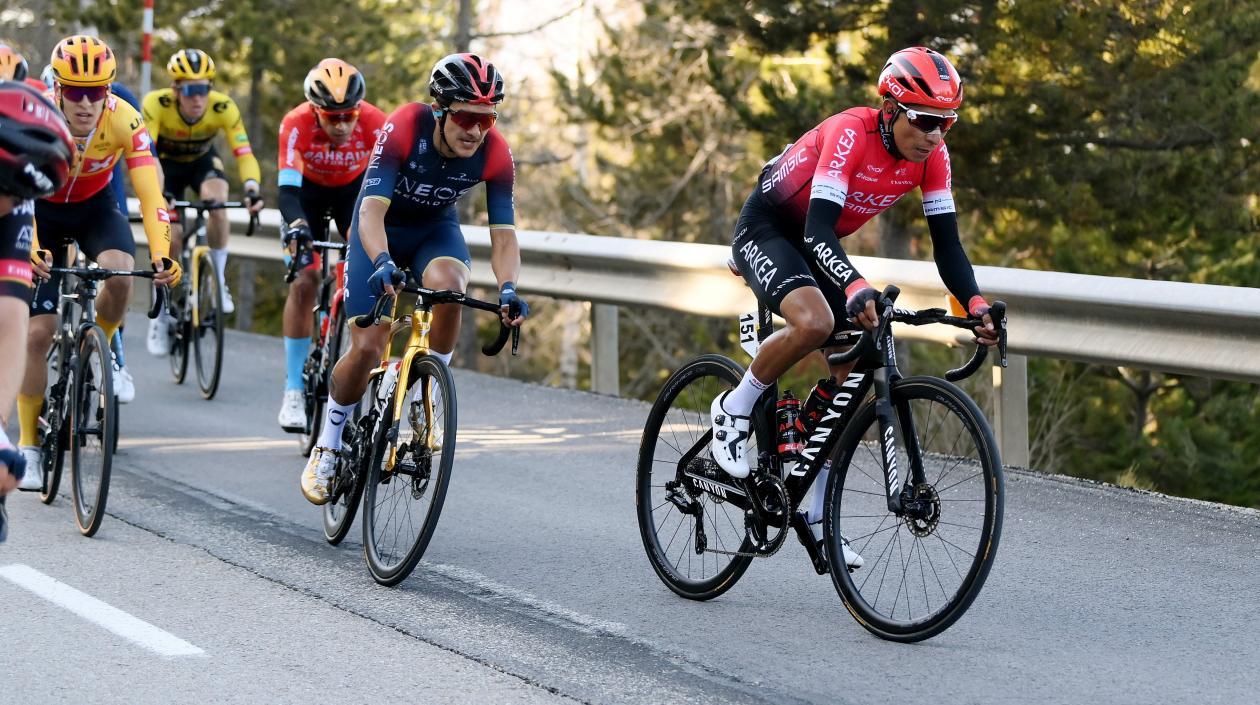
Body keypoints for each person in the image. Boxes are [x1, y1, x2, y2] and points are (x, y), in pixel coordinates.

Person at [711, 47, 1000, 568]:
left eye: (947, 123)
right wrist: (855, 284)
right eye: (926, 120)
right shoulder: (851, 132)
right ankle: (734, 410)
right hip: (771, 227)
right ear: (889, 109)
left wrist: (974, 303)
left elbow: (948, 246)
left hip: (815, 243)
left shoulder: (933, 158)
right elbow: (818, 228)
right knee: (817, 320)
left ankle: (816, 512)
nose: (935, 135)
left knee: (849, 375)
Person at [299, 53, 528, 504]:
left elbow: (504, 237)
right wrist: (382, 259)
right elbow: (369, 210)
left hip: (433, 231)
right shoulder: (405, 125)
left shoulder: (496, 153)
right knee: (367, 345)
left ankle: (427, 390)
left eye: (488, 119)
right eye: (465, 117)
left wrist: (508, 288)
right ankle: (328, 441)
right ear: (440, 109)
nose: (476, 131)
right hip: (378, 229)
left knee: (450, 287)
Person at [15, 35, 179, 483]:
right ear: (57, 89)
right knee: (37, 335)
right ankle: (28, 445)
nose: (86, 103)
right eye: (75, 92)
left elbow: (150, 194)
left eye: (96, 92)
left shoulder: (125, 118)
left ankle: (100, 350)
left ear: (108, 90)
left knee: (122, 274)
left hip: (95, 209)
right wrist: (27, 246)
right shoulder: (37, 118)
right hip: (41, 210)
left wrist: (162, 254)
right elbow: (18, 188)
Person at [274, 58, 387, 432]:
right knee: (305, 280)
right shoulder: (296, 123)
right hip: (305, 197)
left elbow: (385, 188)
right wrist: (297, 226)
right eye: (331, 117)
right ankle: (293, 388)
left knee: (361, 261)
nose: (342, 125)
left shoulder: (376, 123)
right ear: (314, 110)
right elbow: (287, 191)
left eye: (349, 115)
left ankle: (338, 319)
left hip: (351, 194)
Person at [142, 48, 263, 354]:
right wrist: (158, 198)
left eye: (204, 89)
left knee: (218, 202)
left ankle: (218, 278)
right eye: (190, 90)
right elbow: (146, 155)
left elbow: (243, 153)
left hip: (201, 163)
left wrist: (251, 187)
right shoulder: (157, 104)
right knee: (174, 235)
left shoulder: (223, 106)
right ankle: (160, 312)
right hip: (165, 166)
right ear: (175, 89)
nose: (198, 98)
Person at [0, 81, 74, 507]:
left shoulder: (17, 203)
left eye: (20, 197)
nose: (10, 206)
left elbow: (10, 318)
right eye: (5, 191)